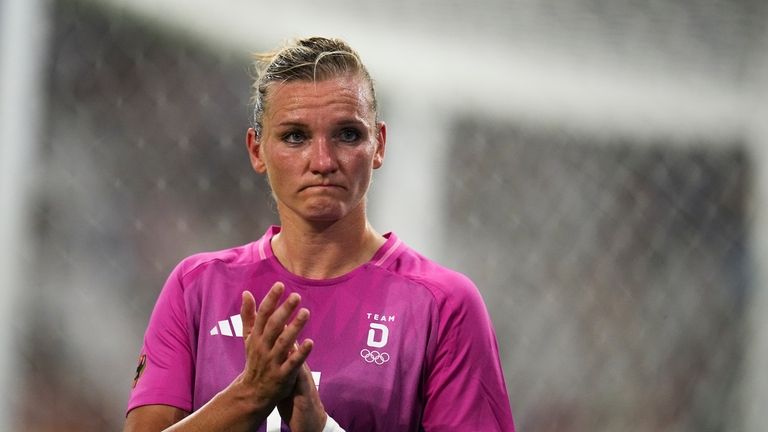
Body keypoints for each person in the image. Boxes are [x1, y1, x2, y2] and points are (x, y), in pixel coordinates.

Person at [123, 36, 515, 432]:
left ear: (379, 145)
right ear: (256, 150)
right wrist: (250, 395)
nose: (323, 161)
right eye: (295, 136)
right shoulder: (197, 288)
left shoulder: (444, 306)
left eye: (347, 134)